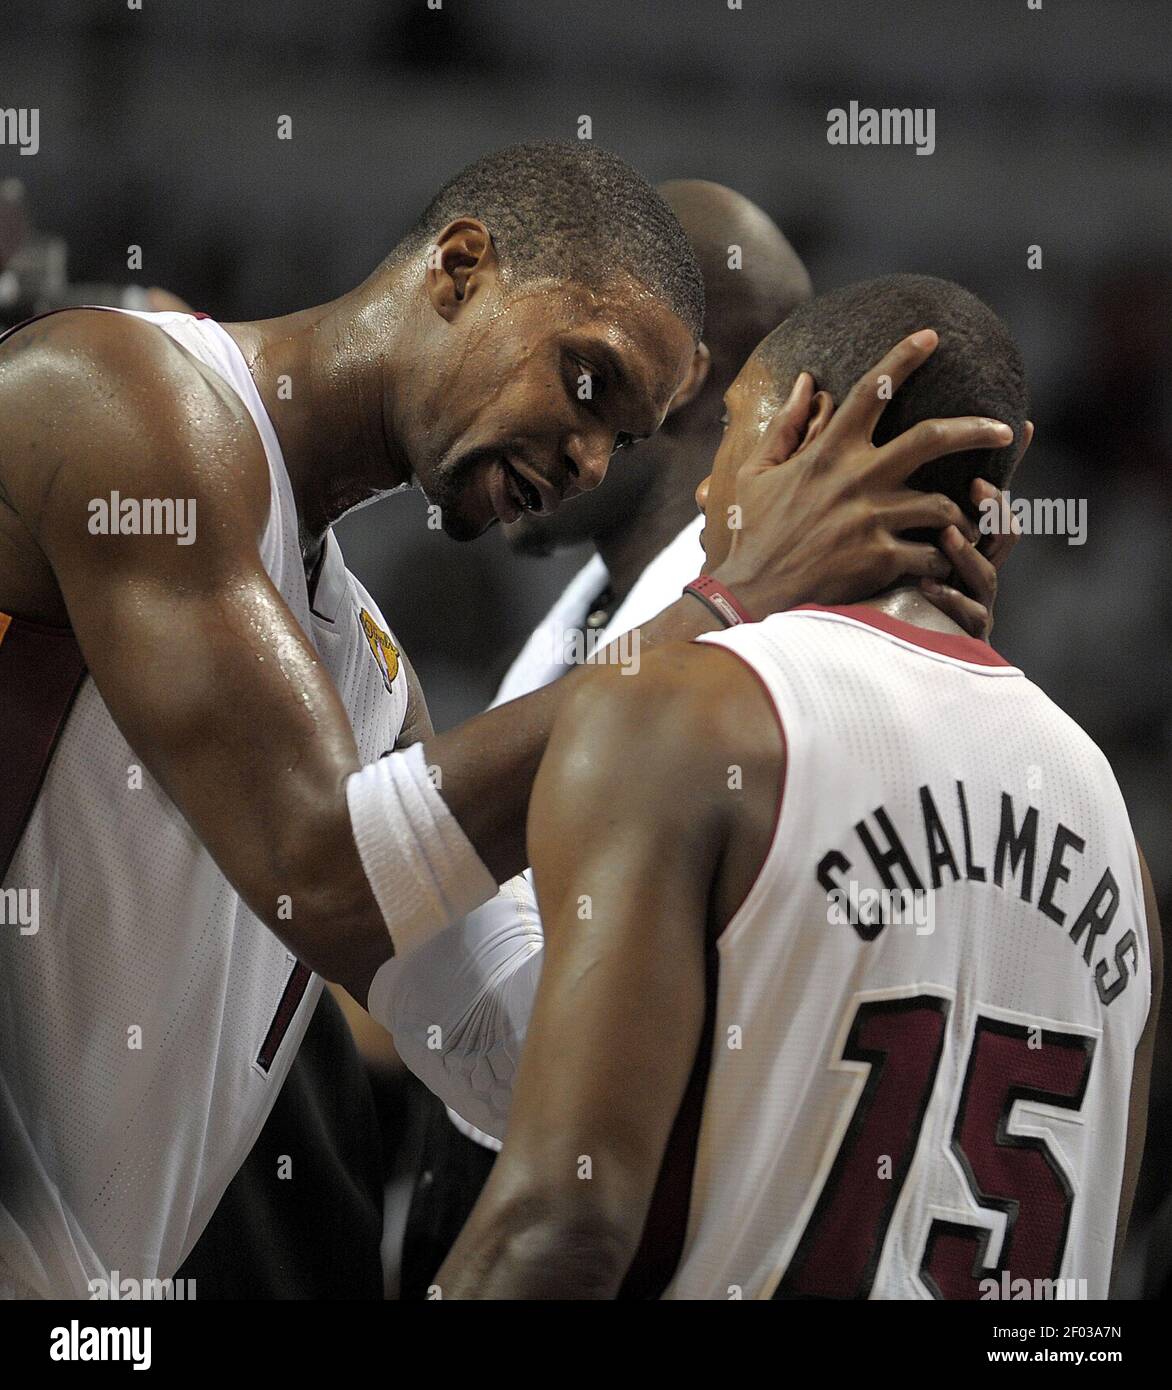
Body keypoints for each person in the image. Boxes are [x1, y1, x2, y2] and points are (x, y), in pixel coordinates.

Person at [0, 139, 1005, 1297]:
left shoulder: (362, 672)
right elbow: (320, 867)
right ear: (461, 265)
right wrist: (732, 607)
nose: (586, 459)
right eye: (587, 383)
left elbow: (491, 1043)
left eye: (626, 442)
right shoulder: (133, 400)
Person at [433, 274, 1161, 1299]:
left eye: (728, 427)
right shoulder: (1111, 832)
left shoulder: (689, 713)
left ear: (800, 423)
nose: (699, 488)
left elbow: (563, 1222)